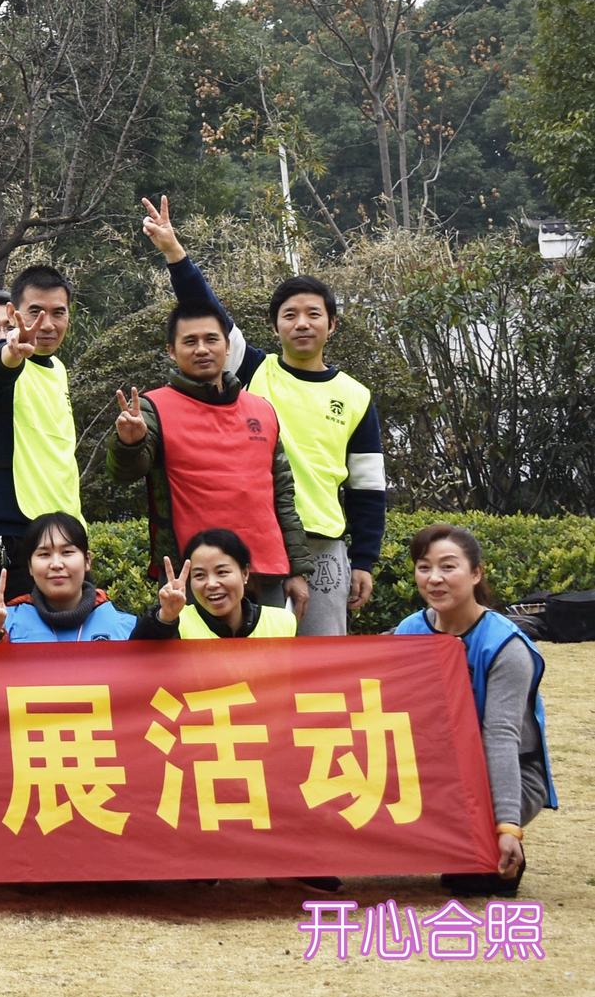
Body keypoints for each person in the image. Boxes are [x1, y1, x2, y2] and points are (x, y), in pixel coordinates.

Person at [145, 197, 386, 637]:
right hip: (252, 544)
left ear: (332, 324)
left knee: (320, 656)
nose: (302, 323)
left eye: (314, 314)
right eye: (289, 315)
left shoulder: (355, 396)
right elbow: (206, 312)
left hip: (321, 543)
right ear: (275, 327)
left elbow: (367, 488)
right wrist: (174, 253)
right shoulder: (254, 370)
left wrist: (365, 559)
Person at [107, 299, 311, 604]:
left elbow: (282, 497)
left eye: (211, 339)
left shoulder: (262, 409)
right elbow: (124, 473)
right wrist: (129, 443)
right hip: (191, 575)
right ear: (172, 351)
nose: (202, 349)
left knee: (272, 639)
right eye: (190, 341)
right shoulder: (152, 408)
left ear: (227, 346)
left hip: (266, 571)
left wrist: (297, 570)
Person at [394, 524, 552, 897]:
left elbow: (501, 737)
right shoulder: (409, 630)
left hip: (506, 773)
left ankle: (488, 842)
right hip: (435, 768)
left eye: (448, 567)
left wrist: (507, 826)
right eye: (423, 567)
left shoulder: (505, 645)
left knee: (472, 880)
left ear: (476, 573)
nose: (434, 578)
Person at [0, 266, 82, 599]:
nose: (47, 324)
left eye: (58, 313)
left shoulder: (58, 369)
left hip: (64, 530)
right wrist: (11, 352)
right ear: (14, 314)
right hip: (12, 533)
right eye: (36, 312)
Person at [0, 511, 137, 644]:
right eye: (44, 554)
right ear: (30, 566)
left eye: (67, 552)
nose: (56, 564)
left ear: (87, 560)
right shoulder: (5, 623)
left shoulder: (126, 627)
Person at [132, 528, 299, 640]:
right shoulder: (176, 621)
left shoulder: (282, 623)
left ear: (245, 573)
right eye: (199, 575)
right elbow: (136, 662)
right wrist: (165, 617)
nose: (211, 584)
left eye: (222, 572)